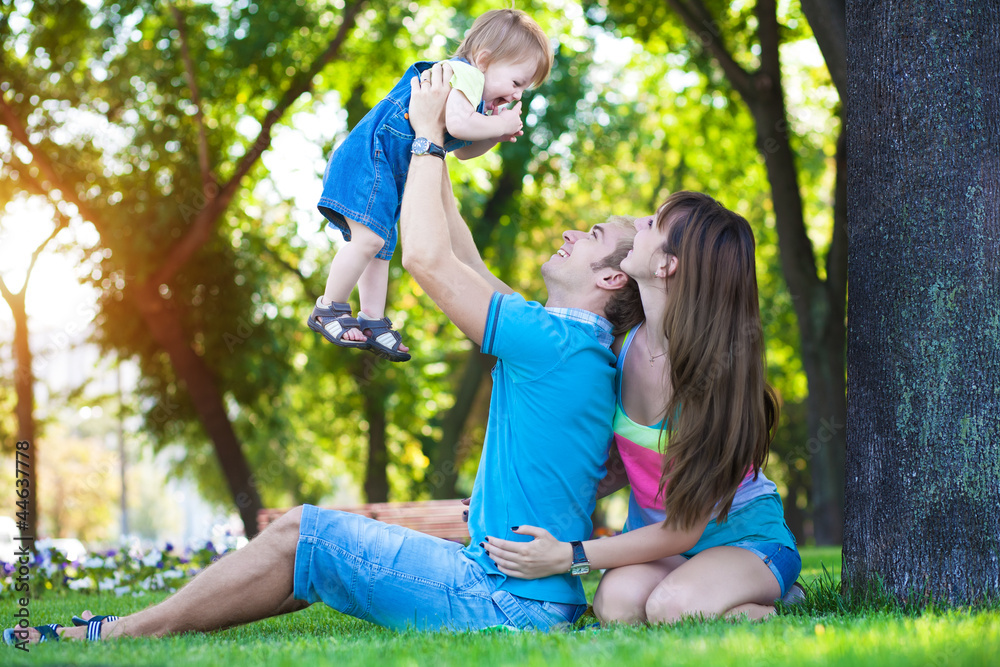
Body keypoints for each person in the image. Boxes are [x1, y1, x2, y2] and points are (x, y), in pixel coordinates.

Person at [2, 62, 639, 646]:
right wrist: (438, 137)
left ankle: (113, 636)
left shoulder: (551, 341)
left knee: (305, 529)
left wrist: (420, 136)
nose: (570, 232)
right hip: (514, 591)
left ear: (611, 280)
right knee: (302, 547)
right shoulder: (572, 344)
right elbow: (463, 253)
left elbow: (423, 256)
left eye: (592, 236)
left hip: (502, 601)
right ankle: (136, 625)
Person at [482, 192, 803, 625]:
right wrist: (509, 491)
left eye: (653, 224)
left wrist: (570, 557)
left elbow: (684, 528)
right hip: (661, 545)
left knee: (673, 609)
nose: (639, 224)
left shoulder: (711, 382)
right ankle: (706, 590)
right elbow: (534, 330)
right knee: (616, 607)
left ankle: (780, 597)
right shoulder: (620, 344)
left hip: (742, 540)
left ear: (666, 265)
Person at [307, 8, 552, 362]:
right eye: (517, 83)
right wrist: (498, 126)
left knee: (381, 247)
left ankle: (372, 319)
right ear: (484, 60)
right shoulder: (463, 74)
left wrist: (497, 134)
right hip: (369, 157)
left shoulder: (472, 95)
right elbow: (458, 123)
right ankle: (329, 307)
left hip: (386, 167)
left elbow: (465, 150)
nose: (517, 95)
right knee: (370, 241)